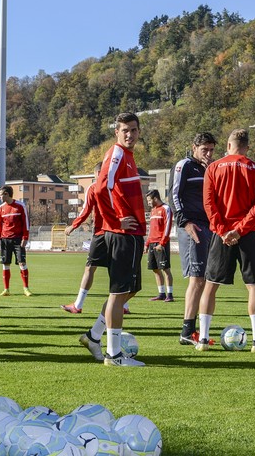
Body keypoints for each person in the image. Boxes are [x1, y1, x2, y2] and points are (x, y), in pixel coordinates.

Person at [196, 128, 255, 353]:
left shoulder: (213, 167)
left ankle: (203, 340)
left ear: (228, 146)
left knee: (211, 286)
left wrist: (222, 230)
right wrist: (239, 230)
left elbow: (209, 204)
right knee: (253, 286)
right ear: (247, 148)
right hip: (247, 234)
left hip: (221, 234)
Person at [79, 112, 146, 367]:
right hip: (122, 234)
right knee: (119, 292)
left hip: (131, 233)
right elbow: (100, 186)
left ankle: (94, 336)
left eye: (134, 130)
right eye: (125, 130)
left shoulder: (127, 155)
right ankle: (114, 355)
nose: (129, 134)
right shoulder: (117, 153)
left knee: (130, 290)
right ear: (116, 132)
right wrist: (116, 219)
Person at [61, 163, 130, 315]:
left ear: (98, 172)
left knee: (90, 268)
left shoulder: (93, 187)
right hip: (119, 233)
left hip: (101, 233)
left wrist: (73, 226)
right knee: (117, 269)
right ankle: (124, 305)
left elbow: (86, 210)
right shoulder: (117, 185)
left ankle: (78, 305)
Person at [170, 132, 217, 345]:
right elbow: (174, 194)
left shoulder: (210, 168)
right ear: (194, 147)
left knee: (205, 279)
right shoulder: (185, 165)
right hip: (192, 226)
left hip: (208, 226)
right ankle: (187, 332)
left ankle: (192, 330)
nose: (208, 153)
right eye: (204, 149)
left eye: (211, 150)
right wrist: (185, 222)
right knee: (197, 278)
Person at [0, 185, 32, 297]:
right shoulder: (1, 208)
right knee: (5, 264)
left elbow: (26, 222)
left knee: (22, 263)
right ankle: (6, 289)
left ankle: (26, 288)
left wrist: (25, 237)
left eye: (0, 194)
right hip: (5, 240)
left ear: (6, 194)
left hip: (18, 240)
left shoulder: (20, 206)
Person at [145, 189, 174, 302]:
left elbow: (167, 227)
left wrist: (162, 243)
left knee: (165, 269)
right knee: (155, 269)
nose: (148, 203)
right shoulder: (153, 211)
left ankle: (170, 295)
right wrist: (147, 244)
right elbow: (151, 230)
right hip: (152, 244)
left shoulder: (166, 209)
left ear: (155, 198)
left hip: (161, 244)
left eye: (149, 200)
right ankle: (161, 293)